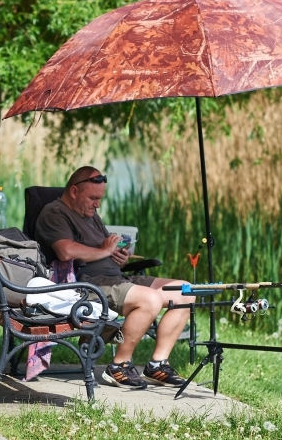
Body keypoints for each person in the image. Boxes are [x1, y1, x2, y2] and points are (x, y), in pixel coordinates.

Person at [35, 166, 195, 389]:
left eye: (100, 198)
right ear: (74, 191)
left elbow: (103, 249)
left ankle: (157, 364)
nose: (97, 204)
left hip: (116, 278)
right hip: (87, 284)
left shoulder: (90, 215)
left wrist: (118, 257)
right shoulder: (54, 213)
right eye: (93, 198)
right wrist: (105, 252)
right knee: (149, 300)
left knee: (185, 291)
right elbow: (66, 251)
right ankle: (119, 366)